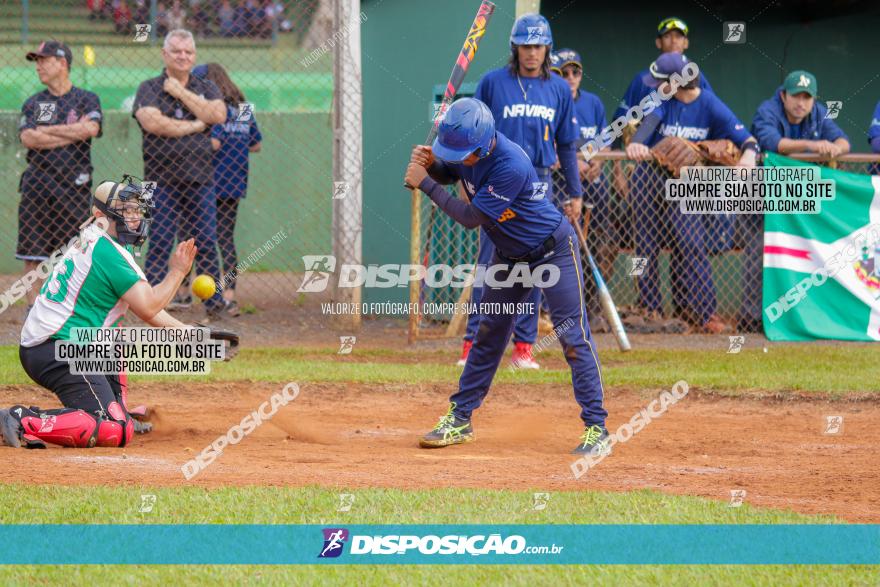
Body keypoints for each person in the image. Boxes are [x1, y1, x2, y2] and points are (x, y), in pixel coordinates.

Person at [405, 98, 608, 454]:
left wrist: (425, 184)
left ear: (484, 146)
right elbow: (452, 172)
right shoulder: (468, 152)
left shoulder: (510, 164)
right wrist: (433, 164)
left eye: (464, 151)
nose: (460, 157)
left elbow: (471, 218)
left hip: (552, 252)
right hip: (510, 257)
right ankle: (460, 418)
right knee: (488, 334)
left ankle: (597, 428)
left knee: (573, 338)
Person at [0, 177, 196, 449]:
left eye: (137, 209)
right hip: (56, 348)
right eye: (126, 210)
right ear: (100, 215)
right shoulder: (107, 252)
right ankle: (21, 418)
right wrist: (177, 272)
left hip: (66, 342)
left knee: (114, 335)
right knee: (115, 430)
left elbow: (146, 307)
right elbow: (150, 307)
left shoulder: (103, 239)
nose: (135, 217)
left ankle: (117, 409)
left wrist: (188, 334)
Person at [458, 13, 583, 370]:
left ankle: (524, 348)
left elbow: (568, 145)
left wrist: (575, 192)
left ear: (547, 49)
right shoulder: (493, 83)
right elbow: (473, 132)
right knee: (489, 266)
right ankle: (472, 345)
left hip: (538, 185)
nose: (532, 52)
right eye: (526, 45)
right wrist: (467, 181)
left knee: (534, 268)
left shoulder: (558, 89)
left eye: (538, 46)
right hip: (495, 181)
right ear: (515, 47)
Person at [625, 52, 758, 333]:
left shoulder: (708, 103)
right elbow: (647, 125)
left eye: (661, 81)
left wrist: (747, 158)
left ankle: (704, 312)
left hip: (685, 180)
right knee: (645, 246)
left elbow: (747, 139)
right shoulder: (661, 100)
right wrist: (637, 144)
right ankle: (650, 308)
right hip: (649, 176)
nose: (656, 86)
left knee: (690, 242)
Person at [743, 70, 850, 332]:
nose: (801, 103)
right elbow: (772, 143)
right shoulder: (768, 110)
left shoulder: (818, 112)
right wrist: (813, 147)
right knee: (759, 250)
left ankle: (802, 315)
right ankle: (751, 318)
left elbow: (844, 141)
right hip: (764, 192)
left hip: (800, 194)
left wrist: (835, 147)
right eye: (796, 96)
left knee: (807, 251)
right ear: (783, 95)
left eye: (807, 97)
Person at [133, 29, 228, 317]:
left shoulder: (206, 85)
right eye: (176, 51)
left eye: (188, 52)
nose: (183, 56)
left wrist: (180, 92)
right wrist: (195, 125)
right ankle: (150, 304)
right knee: (160, 241)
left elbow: (218, 114)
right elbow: (152, 123)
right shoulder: (149, 87)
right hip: (160, 180)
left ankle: (214, 303)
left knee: (207, 241)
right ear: (165, 54)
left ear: (194, 55)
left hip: (200, 178)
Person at [17, 40, 103, 310]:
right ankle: (35, 314)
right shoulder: (35, 102)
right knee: (34, 255)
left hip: (74, 187)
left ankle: (71, 312)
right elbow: (29, 138)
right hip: (38, 185)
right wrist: (69, 131)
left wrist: (49, 132)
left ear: (63, 63)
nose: (39, 66)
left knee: (76, 252)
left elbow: (89, 129)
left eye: (44, 59)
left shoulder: (86, 98)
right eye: (37, 61)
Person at [550, 48, 618, 330]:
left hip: (593, 186)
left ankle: (590, 308)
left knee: (601, 243)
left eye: (575, 71)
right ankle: (550, 311)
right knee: (558, 244)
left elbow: (607, 141)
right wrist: (572, 164)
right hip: (558, 185)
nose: (570, 77)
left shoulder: (593, 103)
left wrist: (597, 163)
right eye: (564, 72)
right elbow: (545, 145)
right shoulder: (551, 98)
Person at [195, 63, 262, 315]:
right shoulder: (242, 109)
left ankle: (182, 293)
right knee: (225, 239)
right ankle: (230, 295)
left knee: (193, 236)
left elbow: (213, 143)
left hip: (207, 182)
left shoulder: (212, 109)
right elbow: (255, 145)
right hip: (234, 183)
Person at [613, 16, 713, 121]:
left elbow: (712, 115)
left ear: (686, 43)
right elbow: (621, 121)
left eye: (678, 36)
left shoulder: (696, 77)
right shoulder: (642, 79)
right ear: (658, 42)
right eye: (667, 36)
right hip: (650, 135)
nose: (674, 41)